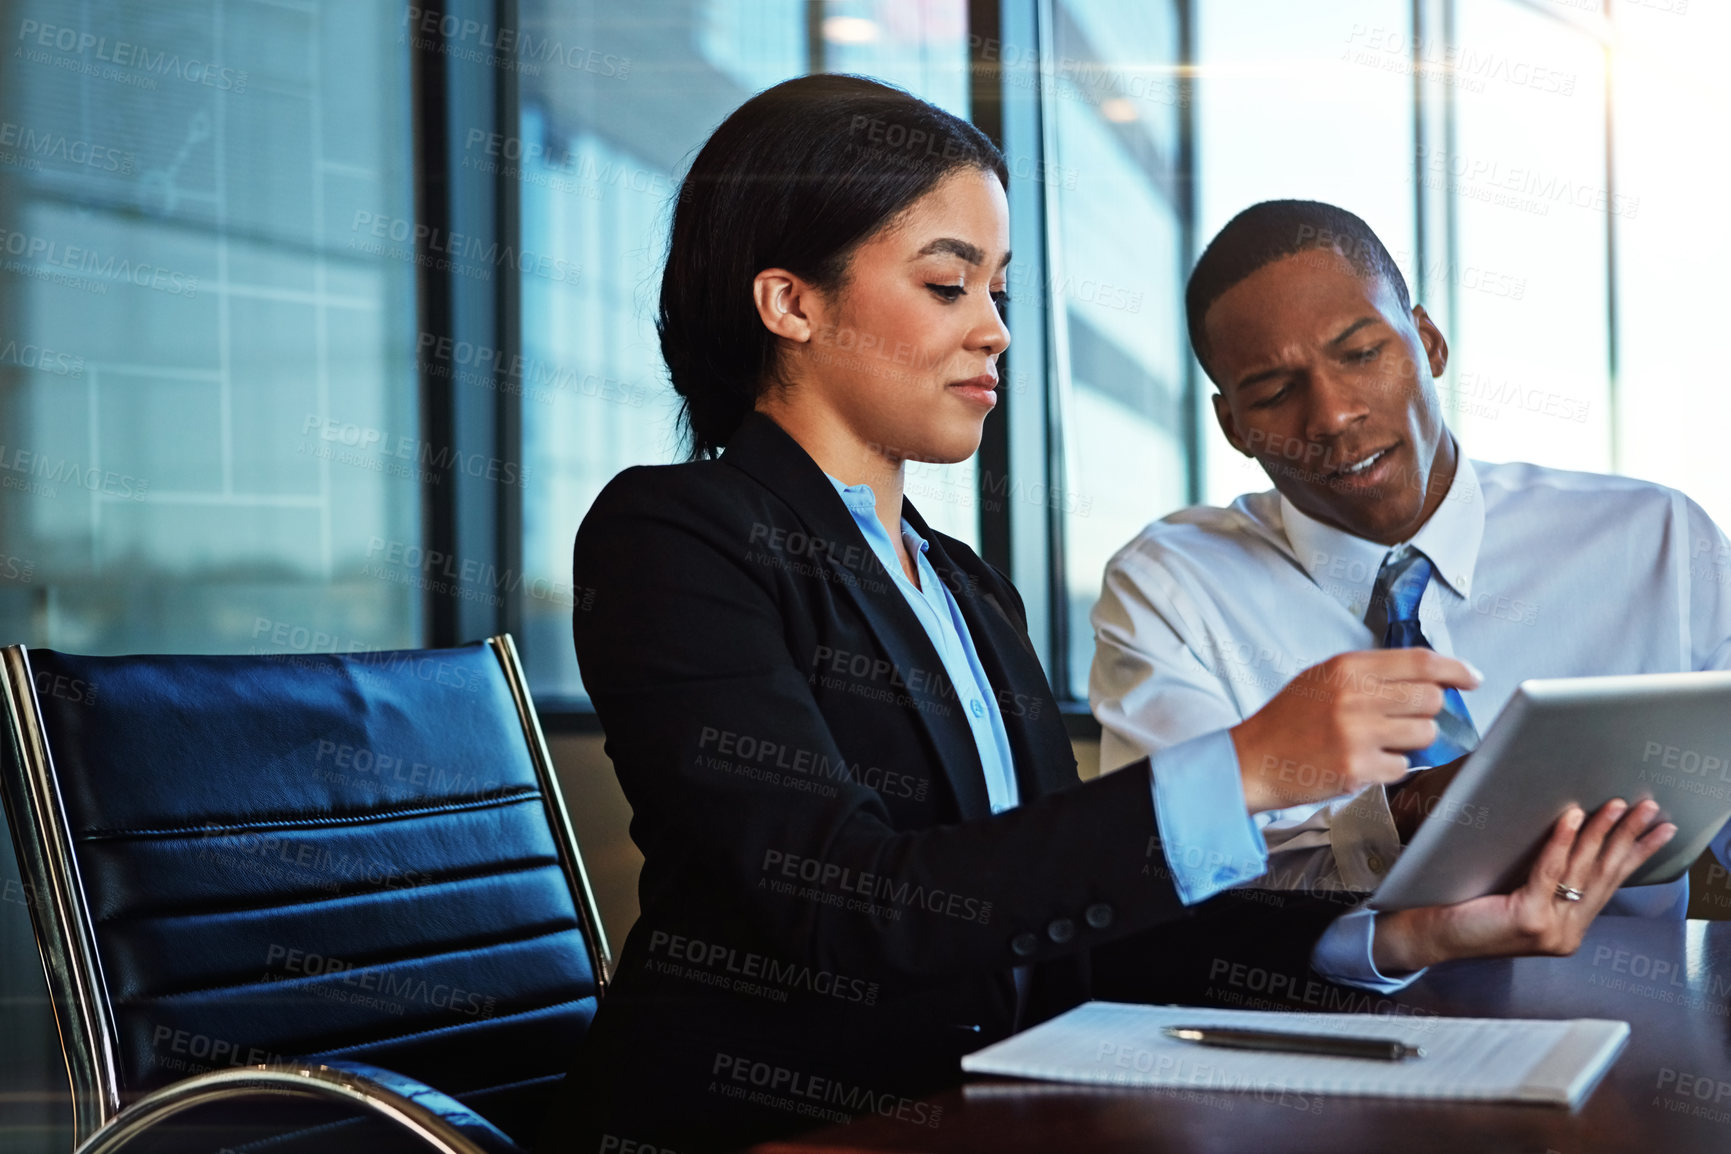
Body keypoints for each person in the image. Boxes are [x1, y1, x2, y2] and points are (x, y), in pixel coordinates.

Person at [535, 85, 1672, 1153]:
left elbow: (1071, 927)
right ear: (789, 300)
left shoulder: (963, 585)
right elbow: (845, 909)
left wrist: (1402, 935)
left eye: (999, 291)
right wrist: (1246, 767)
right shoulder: (673, 535)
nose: (995, 332)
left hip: (979, 1109)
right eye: (947, 285)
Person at [1089, 199, 1730, 992]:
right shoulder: (1172, 586)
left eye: (1360, 354)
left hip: (1621, 1020)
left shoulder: (1655, 539)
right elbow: (1171, 884)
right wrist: (1395, 816)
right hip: (1304, 1032)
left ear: (1426, 342)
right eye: (1271, 391)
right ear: (1231, 425)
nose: (1331, 415)